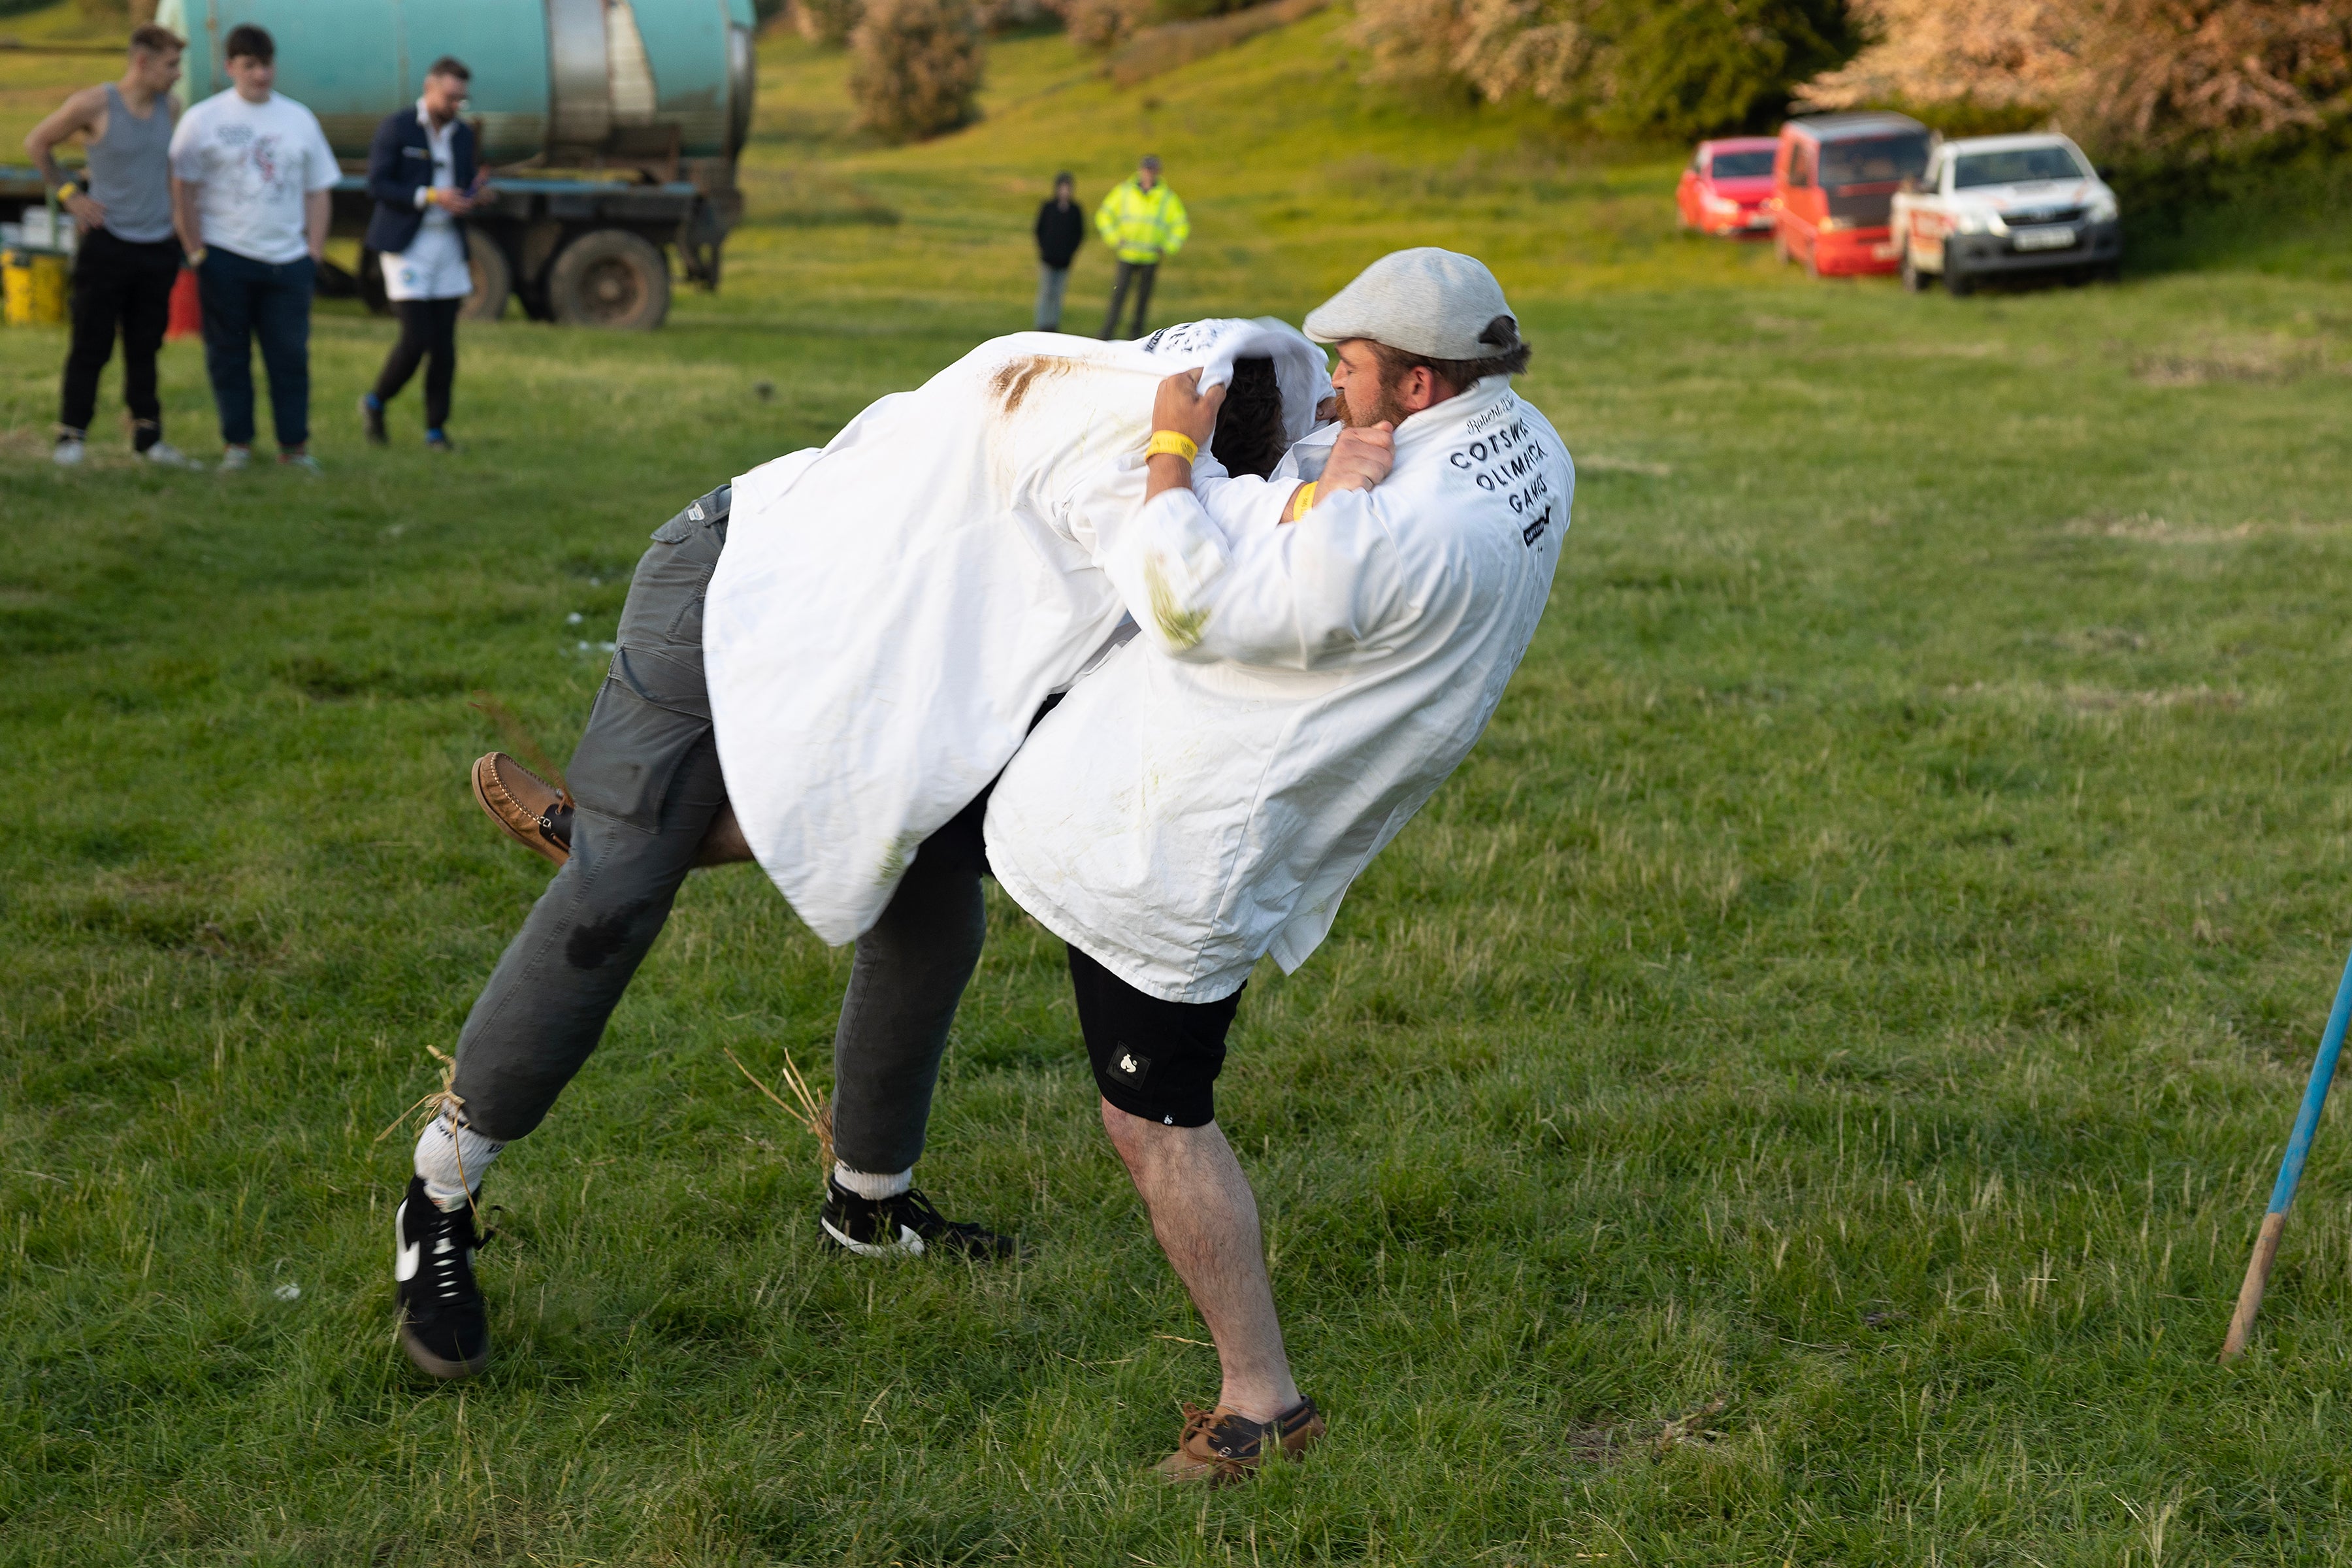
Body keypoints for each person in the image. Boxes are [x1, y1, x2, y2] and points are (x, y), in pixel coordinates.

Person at [395, 320, 1335, 1382]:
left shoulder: (1171, 421)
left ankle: (867, 1206)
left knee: (932, 914)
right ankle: (439, 1197)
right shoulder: (1092, 434)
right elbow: (1198, 595)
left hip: (904, 664)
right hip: (731, 584)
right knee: (615, 894)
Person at [983, 249, 1574, 1482]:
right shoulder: (1526, 446)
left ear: (1417, 388)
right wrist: (1332, 479)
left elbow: (1186, 601)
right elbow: (1343, 536)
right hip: (1247, 800)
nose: (1329, 391)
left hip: (1201, 843)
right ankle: (672, 829)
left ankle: (1263, 1404)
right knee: (952, 797)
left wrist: (1170, 453)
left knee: (1154, 1118)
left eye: (1347, 373)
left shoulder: (1396, 532)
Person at [167, 24, 338, 471]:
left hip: (287, 262)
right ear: (230, 68)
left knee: (290, 358)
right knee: (228, 357)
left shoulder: (298, 119)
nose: (261, 75)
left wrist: (313, 254)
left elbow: (319, 190)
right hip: (226, 255)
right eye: (250, 66)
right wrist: (196, 249)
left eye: (266, 65)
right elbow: (182, 186)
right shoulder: (204, 120)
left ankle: (294, 448)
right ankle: (237, 444)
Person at [24, 24, 195, 468]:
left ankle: (148, 438)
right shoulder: (94, 104)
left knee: (145, 347)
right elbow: (37, 143)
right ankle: (71, 437)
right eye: (171, 64)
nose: (178, 74)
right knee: (91, 344)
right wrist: (70, 197)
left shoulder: (171, 107)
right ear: (142, 62)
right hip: (108, 245)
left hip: (157, 245)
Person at [360, 56, 483, 452]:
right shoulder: (397, 128)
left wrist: (476, 195)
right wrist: (431, 197)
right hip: (406, 245)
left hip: (447, 245)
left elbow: (463, 183)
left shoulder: (463, 135)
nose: (455, 106)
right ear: (430, 88)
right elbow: (377, 185)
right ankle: (376, 401)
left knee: (445, 346)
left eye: (462, 100)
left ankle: (436, 431)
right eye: (450, 97)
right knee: (417, 338)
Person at [1095, 155, 1187, 340]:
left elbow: (1181, 225)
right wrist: (1114, 238)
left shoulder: (1166, 197)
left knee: (1142, 303)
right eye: (1146, 169)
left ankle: (1135, 338)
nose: (1148, 174)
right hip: (1127, 253)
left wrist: (1168, 247)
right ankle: (1106, 335)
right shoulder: (1125, 191)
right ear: (1140, 170)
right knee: (1118, 297)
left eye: (1152, 170)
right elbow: (1104, 215)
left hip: (1150, 257)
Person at [1032, 172, 1082, 331]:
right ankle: (1042, 324)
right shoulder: (1049, 207)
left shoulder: (1075, 210)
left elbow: (1079, 234)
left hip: (1064, 260)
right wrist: (1044, 248)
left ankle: (1053, 325)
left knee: (1058, 294)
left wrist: (1070, 252)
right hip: (1049, 258)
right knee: (1046, 292)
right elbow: (1039, 229)